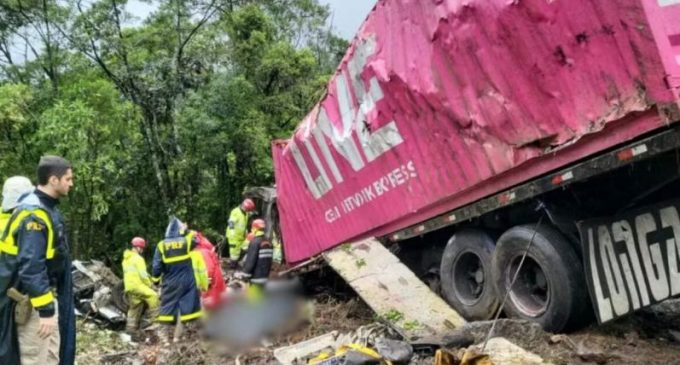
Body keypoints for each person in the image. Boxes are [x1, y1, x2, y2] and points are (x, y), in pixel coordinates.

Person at [0, 156, 76, 365]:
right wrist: (46, 310)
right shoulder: (34, 215)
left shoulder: (46, 208)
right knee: (35, 358)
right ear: (54, 180)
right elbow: (31, 268)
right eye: (68, 179)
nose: (71, 183)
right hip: (33, 305)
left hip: (45, 299)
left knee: (51, 356)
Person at [151, 217, 204, 343]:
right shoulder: (186, 241)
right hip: (188, 281)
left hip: (171, 281)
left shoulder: (161, 245)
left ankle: (164, 340)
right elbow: (197, 239)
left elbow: (156, 266)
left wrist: (156, 280)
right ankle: (177, 338)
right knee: (185, 308)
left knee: (167, 308)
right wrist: (186, 230)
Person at [122, 237, 159, 333]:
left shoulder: (126, 259)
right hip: (137, 285)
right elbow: (143, 275)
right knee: (153, 296)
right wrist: (151, 285)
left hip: (129, 287)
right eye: (142, 248)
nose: (142, 250)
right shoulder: (138, 259)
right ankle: (155, 322)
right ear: (138, 248)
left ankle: (130, 329)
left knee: (135, 307)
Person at [193, 232, 225, 309]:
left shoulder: (201, 251)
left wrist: (207, 281)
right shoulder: (203, 248)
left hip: (212, 283)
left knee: (212, 306)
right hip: (214, 281)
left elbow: (209, 269)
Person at [238, 219, 273, 289]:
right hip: (265, 276)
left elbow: (250, 261)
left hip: (255, 278)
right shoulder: (268, 242)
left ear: (254, 228)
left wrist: (244, 275)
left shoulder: (255, 242)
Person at [226, 198, 256, 267]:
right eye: (248, 209)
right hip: (234, 236)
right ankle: (233, 265)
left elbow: (243, 224)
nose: (248, 211)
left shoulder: (246, 213)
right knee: (234, 254)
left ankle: (238, 263)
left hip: (241, 236)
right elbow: (231, 222)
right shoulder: (236, 211)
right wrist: (232, 231)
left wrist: (246, 232)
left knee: (245, 248)